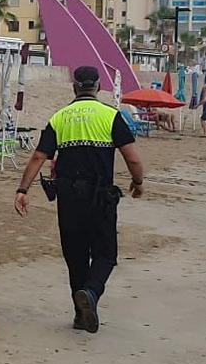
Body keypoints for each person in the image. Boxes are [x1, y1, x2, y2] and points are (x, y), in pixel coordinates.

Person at [12, 65, 145, 333]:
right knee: (106, 254)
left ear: (74, 86)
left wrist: (23, 190)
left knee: (75, 256)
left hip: (69, 197)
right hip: (100, 198)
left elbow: (39, 157)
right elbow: (131, 156)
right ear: (97, 87)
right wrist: (138, 182)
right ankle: (92, 294)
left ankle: (79, 314)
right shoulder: (110, 116)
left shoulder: (60, 117)